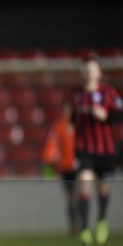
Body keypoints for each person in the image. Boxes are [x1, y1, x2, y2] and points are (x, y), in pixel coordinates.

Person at [68, 58, 123, 246]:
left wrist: (106, 116)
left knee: (103, 188)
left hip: (106, 150)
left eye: (92, 70)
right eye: (86, 69)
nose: (89, 73)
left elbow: (121, 115)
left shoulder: (108, 93)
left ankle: (101, 220)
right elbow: (71, 118)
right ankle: (84, 230)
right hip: (84, 149)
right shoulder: (76, 95)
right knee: (84, 184)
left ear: (99, 73)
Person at [42, 101, 77, 236]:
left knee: (80, 194)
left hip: (79, 166)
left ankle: (81, 224)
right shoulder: (58, 127)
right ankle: (73, 225)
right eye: (66, 110)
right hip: (65, 167)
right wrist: (48, 163)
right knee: (70, 197)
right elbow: (52, 145)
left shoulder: (80, 126)